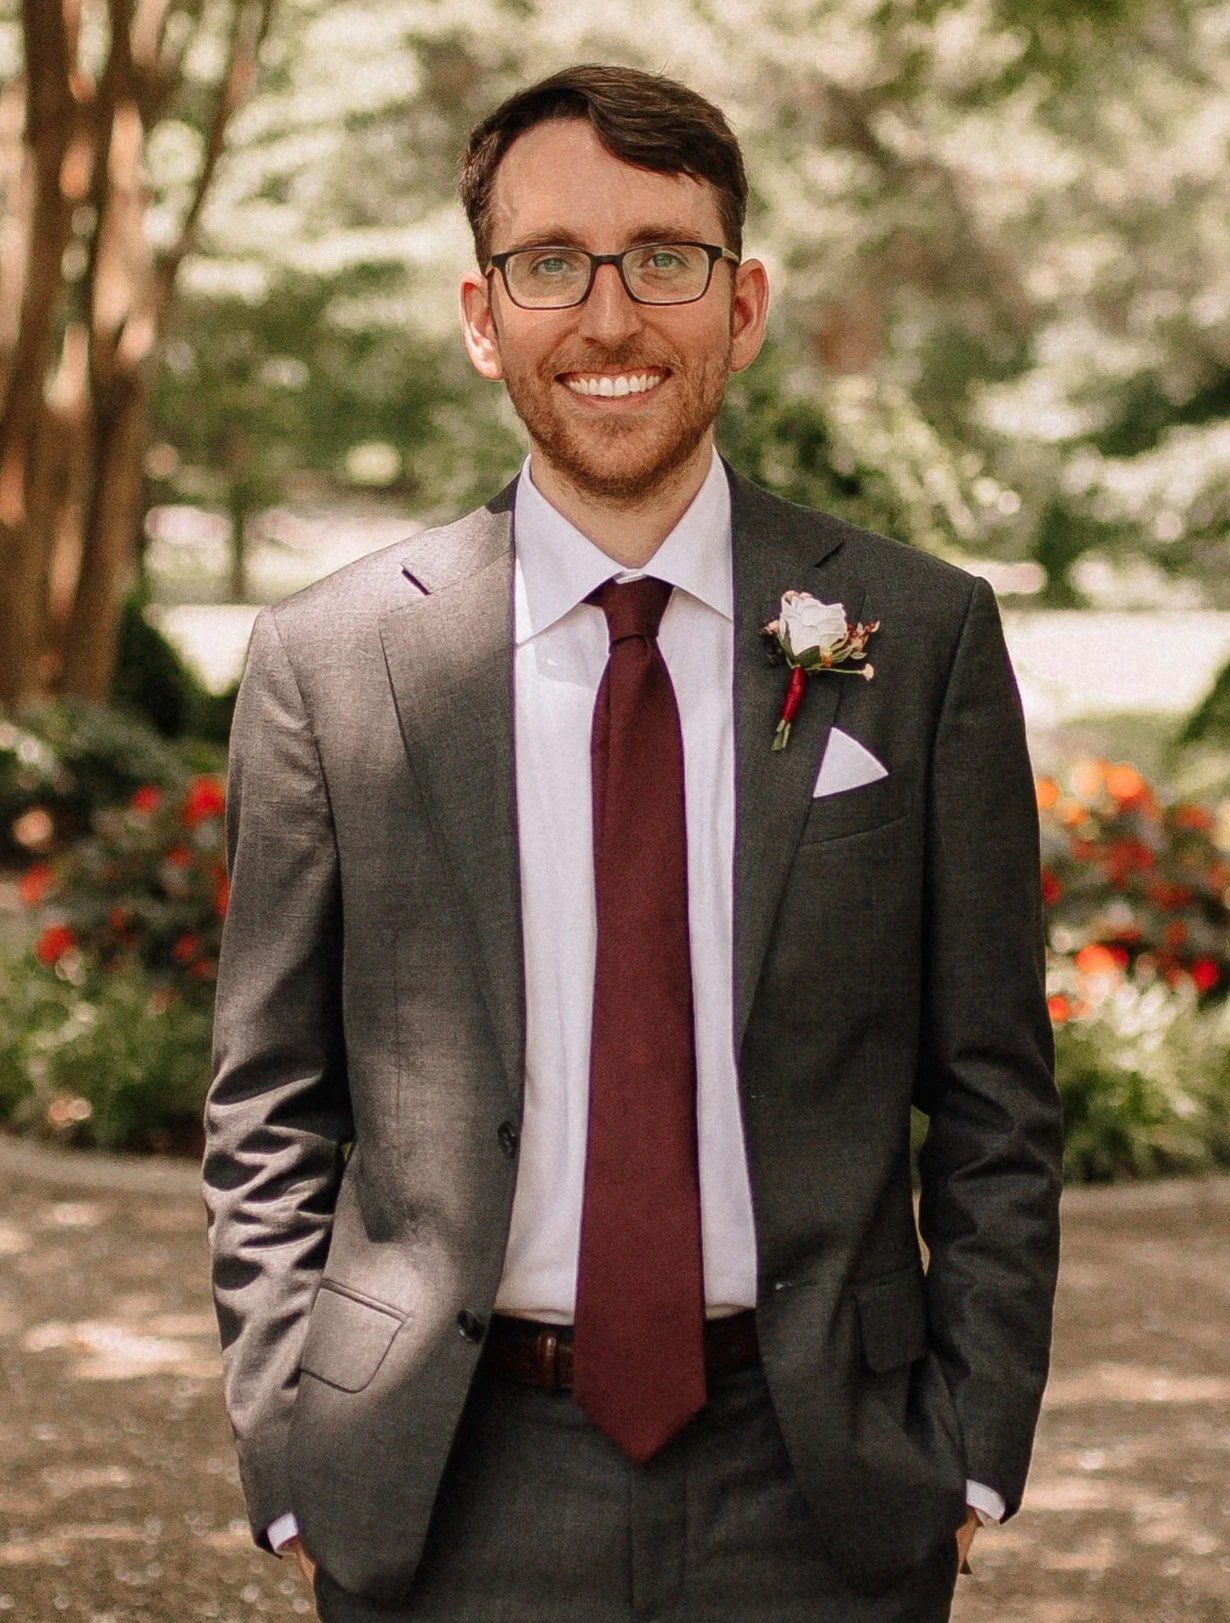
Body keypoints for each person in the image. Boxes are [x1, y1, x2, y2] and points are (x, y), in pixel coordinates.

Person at [204, 63, 1062, 1623]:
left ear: (740, 305)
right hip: (445, 1482)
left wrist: (970, 1445)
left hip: (824, 1480)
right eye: (551, 265)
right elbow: (270, 1103)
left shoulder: (921, 635)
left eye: (663, 258)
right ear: (483, 316)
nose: (610, 318)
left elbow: (995, 1089)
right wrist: (292, 1446)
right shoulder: (333, 664)